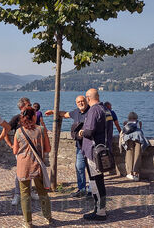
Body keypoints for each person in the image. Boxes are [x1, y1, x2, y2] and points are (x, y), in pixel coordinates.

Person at [45, 95, 91, 198]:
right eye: (78, 102)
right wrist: (53, 112)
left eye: (82, 101)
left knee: (91, 169)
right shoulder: (76, 112)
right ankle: (81, 189)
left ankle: (92, 190)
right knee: (79, 167)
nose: (80, 103)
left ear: (86, 101)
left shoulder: (91, 111)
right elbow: (65, 114)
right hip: (80, 146)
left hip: (90, 146)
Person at [13, 107, 52, 227]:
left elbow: (15, 150)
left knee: (25, 194)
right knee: (42, 192)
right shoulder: (41, 129)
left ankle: (28, 222)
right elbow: (48, 149)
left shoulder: (19, 131)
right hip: (37, 165)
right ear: (34, 116)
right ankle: (48, 216)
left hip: (23, 166)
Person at [78, 89, 110, 221]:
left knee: (95, 182)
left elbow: (90, 131)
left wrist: (81, 132)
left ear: (88, 98)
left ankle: (100, 211)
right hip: (103, 149)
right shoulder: (105, 109)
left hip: (93, 152)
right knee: (100, 181)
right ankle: (102, 208)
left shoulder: (94, 110)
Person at [4, 97, 40, 205]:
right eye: (29, 104)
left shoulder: (33, 117)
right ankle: (17, 194)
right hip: (21, 151)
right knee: (20, 173)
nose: (31, 106)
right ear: (22, 107)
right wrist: (11, 145)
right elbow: (5, 131)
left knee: (31, 171)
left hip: (33, 150)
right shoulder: (16, 118)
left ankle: (30, 191)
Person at [119, 112, 149, 181]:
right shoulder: (139, 122)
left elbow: (124, 130)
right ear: (136, 117)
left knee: (129, 154)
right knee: (137, 155)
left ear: (128, 117)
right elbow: (140, 129)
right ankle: (136, 174)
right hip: (138, 138)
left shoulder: (125, 122)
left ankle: (130, 173)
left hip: (128, 138)